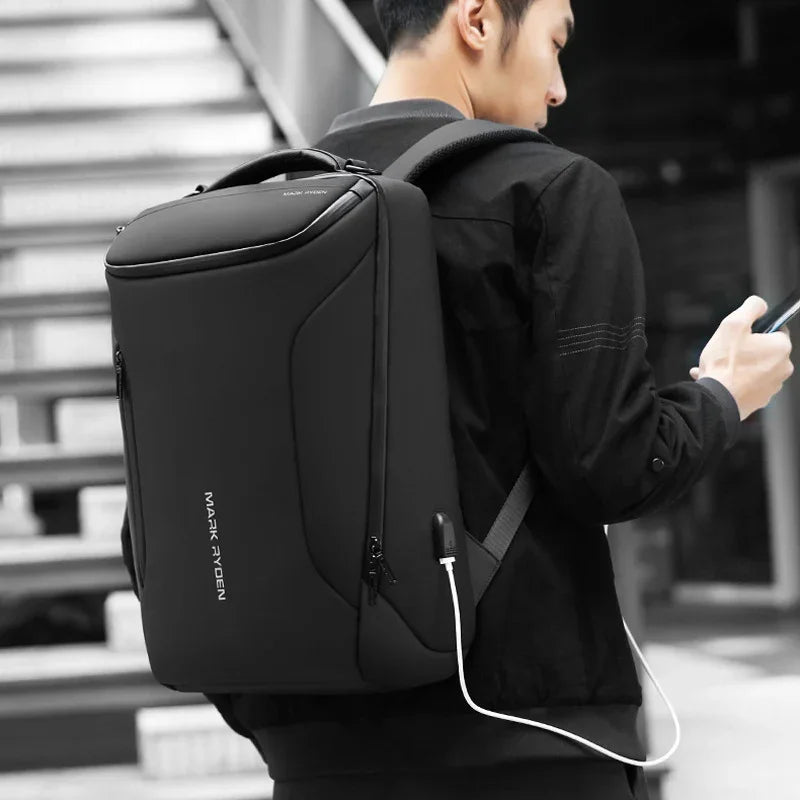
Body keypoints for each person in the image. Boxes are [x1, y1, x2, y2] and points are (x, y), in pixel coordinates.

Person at [118, 0, 794, 797]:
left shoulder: (256, 224)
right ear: (476, 20)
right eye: (555, 42)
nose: (561, 88)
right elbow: (611, 464)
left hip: (315, 753)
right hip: (525, 739)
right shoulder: (551, 193)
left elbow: (154, 531)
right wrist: (722, 396)